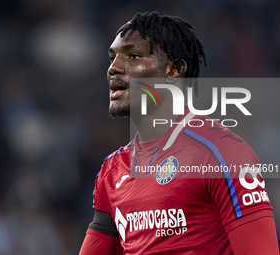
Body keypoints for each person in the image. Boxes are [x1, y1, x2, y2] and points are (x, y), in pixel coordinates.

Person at [79, 11, 279, 254]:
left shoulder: (221, 153)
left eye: (133, 56)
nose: (114, 69)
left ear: (174, 70)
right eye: (112, 58)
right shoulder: (112, 173)